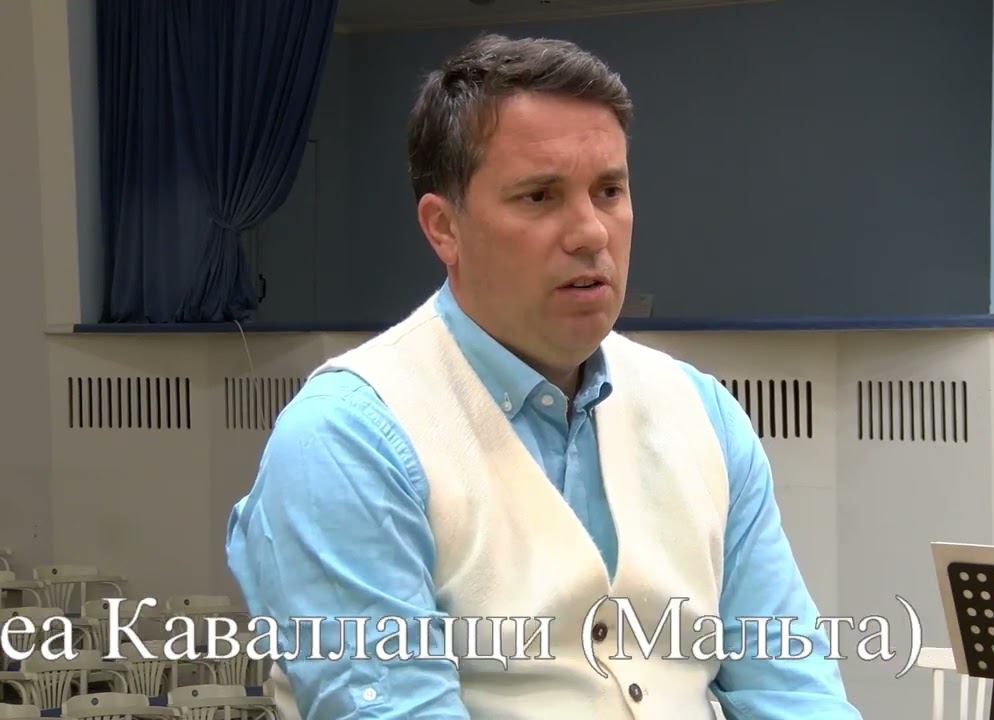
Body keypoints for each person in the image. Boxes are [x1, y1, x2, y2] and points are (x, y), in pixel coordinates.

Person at [225, 33, 861, 720]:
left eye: (609, 190)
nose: (591, 232)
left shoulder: (703, 414)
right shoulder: (348, 439)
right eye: (539, 196)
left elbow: (792, 690)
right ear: (444, 228)